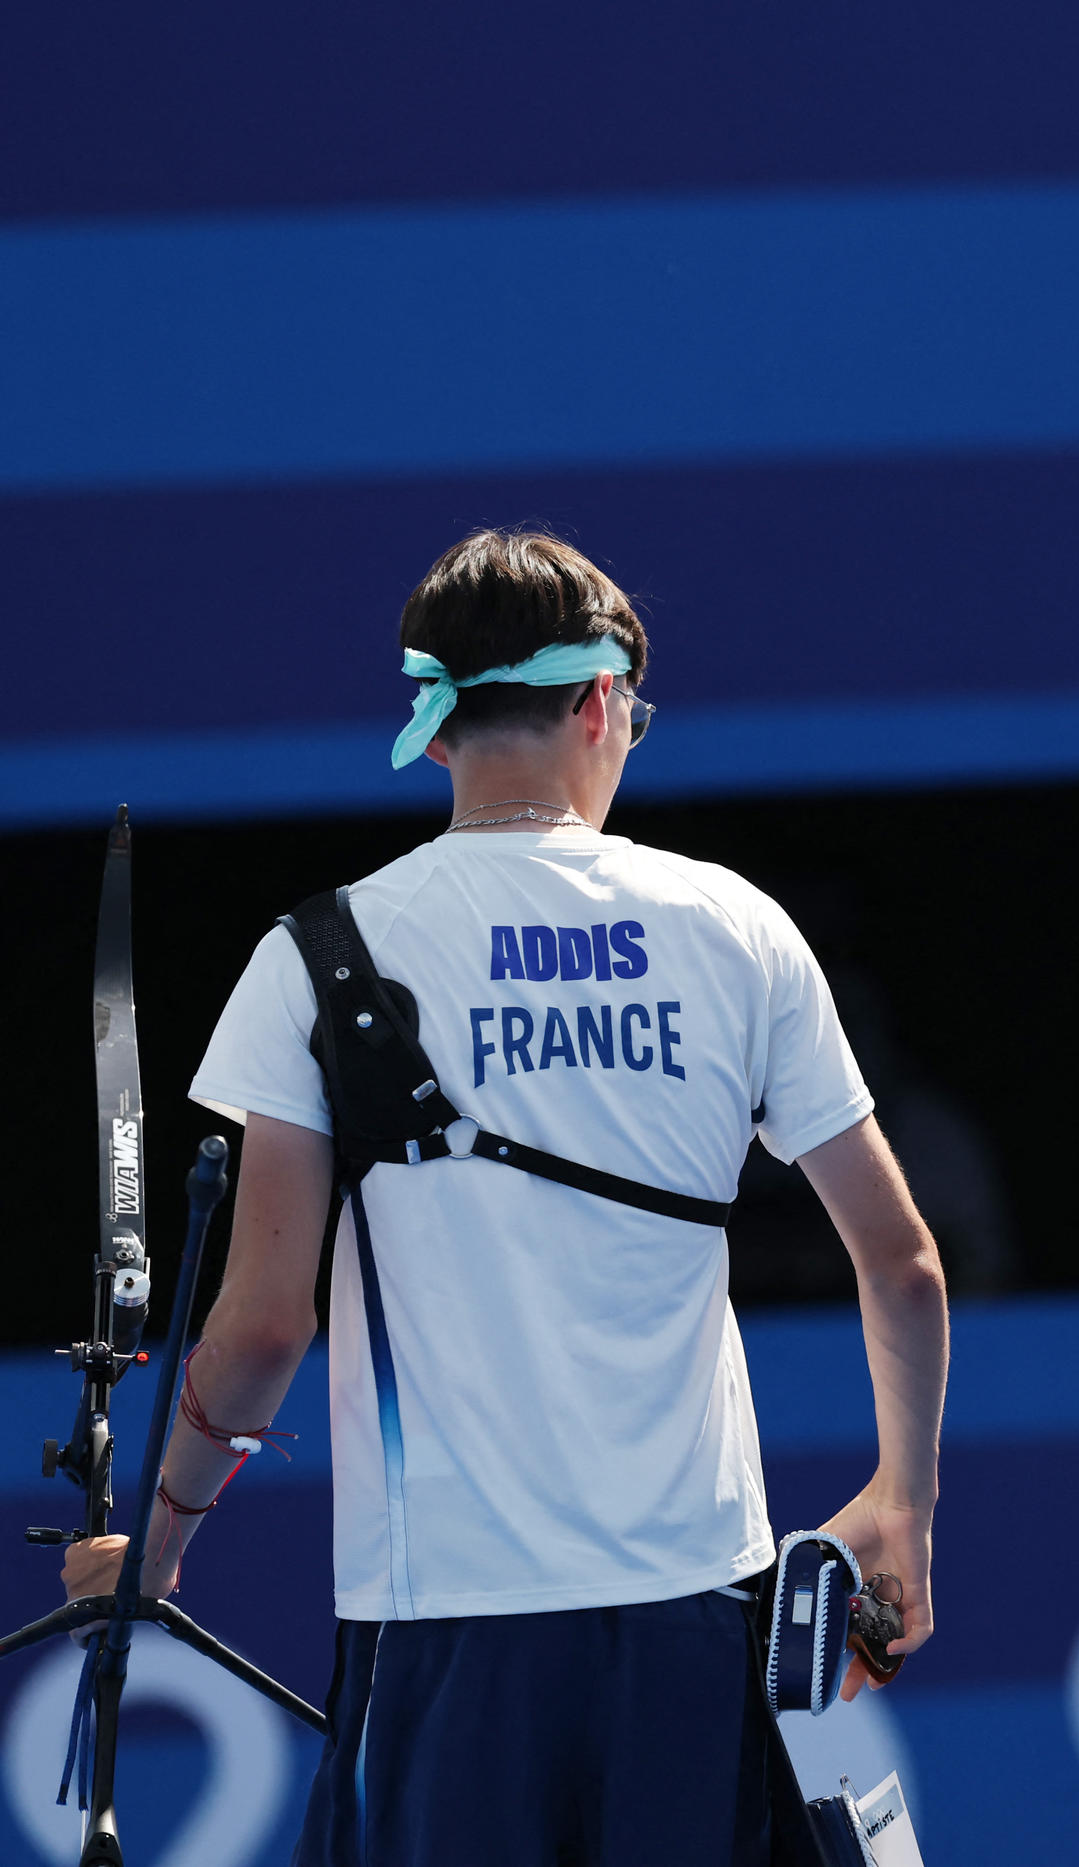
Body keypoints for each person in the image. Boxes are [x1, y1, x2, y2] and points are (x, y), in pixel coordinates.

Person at [62, 531, 950, 1864]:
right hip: (695, 1625)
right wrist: (903, 1503)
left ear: (435, 731)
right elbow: (904, 1266)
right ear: (600, 705)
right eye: (632, 719)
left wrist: (161, 1541)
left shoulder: (318, 954)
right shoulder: (738, 929)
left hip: (444, 1635)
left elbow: (259, 1333)